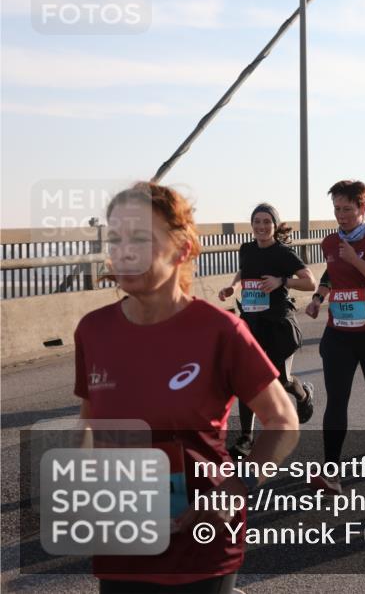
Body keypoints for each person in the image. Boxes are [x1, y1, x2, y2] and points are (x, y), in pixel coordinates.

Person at [74, 182, 299, 593]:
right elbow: (90, 427)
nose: (123, 250)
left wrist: (233, 492)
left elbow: (283, 422)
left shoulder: (219, 330)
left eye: (141, 238)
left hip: (202, 538)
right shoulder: (93, 331)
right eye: (116, 238)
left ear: (182, 249)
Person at [305, 180, 365, 494]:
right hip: (339, 334)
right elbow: (330, 273)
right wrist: (318, 299)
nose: (341, 215)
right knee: (336, 399)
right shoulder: (330, 242)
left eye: (347, 209)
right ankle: (331, 472)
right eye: (337, 209)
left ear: (362, 207)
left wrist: (355, 260)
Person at [218, 204, 317, 459]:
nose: (261, 227)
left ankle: (303, 394)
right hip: (252, 323)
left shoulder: (282, 253)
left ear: (274, 224)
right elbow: (244, 270)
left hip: (278, 324)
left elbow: (310, 281)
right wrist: (232, 287)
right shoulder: (247, 248)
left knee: (281, 381)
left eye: (266, 222)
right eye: (257, 222)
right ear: (251, 225)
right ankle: (246, 439)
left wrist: (282, 281)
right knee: (246, 381)